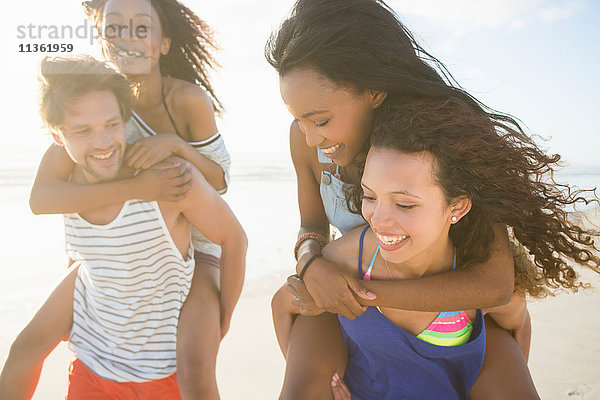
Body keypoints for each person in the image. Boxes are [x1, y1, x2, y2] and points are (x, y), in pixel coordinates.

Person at [265, 0, 577, 397]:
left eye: (321, 120)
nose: (310, 137)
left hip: (441, 296)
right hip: (346, 282)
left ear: (374, 92)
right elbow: (311, 224)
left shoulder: (437, 144)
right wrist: (311, 264)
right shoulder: (307, 141)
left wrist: (362, 294)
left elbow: (496, 285)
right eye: (299, 119)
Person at [274, 96, 600, 398]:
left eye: (404, 205)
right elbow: (283, 304)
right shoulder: (347, 259)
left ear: (457, 207)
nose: (379, 219)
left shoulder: (475, 287)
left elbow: (517, 326)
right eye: (369, 196)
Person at [4, 0, 232, 398]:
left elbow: (220, 181)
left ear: (163, 42)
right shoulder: (93, 105)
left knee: (196, 373)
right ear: (101, 38)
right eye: (115, 28)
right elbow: (43, 196)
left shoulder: (187, 101)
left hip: (195, 248)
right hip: (115, 251)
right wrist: (136, 190)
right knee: (26, 348)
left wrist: (176, 146)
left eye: (141, 28)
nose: (127, 37)